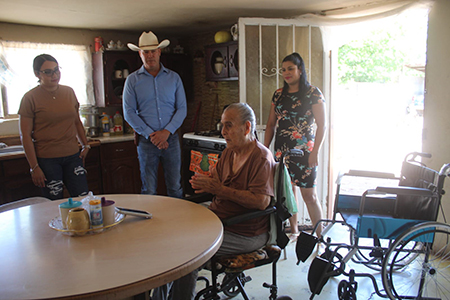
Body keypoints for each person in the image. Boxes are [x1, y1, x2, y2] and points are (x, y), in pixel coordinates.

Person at [152, 103, 276, 300]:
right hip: (219, 221)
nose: (223, 131)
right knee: (169, 238)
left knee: (189, 252)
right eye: (222, 125)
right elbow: (218, 183)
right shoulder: (229, 152)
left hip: (245, 231)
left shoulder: (261, 158)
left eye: (228, 125)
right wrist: (207, 185)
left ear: (246, 128)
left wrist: (219, 190)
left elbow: (261, 202)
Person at [264, 52, 327, 238]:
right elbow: (270, 125)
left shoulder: (313, 93)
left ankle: (320, 237)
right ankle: (294, 230)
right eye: (283, 70)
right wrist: (264, 150)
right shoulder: (278, 95)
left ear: (300, 70)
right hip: (281, 152)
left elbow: (323, 125)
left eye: (290, 68)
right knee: (287, 193)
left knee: (310, 196)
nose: (286, 73)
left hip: (305, 152)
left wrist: (316, 152)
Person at [123, 31, 187, 198]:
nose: (150, 55)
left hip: (171, 140)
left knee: (175, 187)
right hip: (146, 142)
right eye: (146, 51)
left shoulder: (174, 78)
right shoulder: (132, 81)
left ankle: (178, 223)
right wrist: (152, 136)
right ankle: (151, 223)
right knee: (149, 190)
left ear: (159, 52)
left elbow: (182, 108)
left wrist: (166, 133)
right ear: (140, 54)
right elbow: (128, 112)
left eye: (153, 51)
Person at [18, 54, 90, 200]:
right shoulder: (30, 98)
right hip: (47, 160)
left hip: (72, 156)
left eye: (57, 70)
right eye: (48, 72)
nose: (55, 74)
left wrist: (85, 145)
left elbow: (76, 122)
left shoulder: (68, 92)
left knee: (83, 199)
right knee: (53, 203)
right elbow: (25, 135)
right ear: (37, 74)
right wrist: (34, 167)